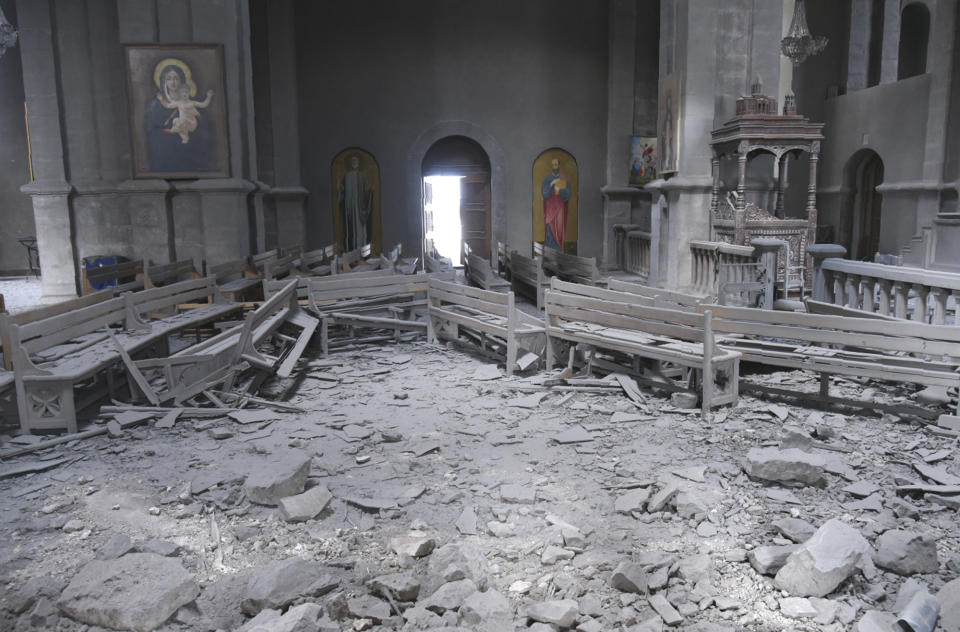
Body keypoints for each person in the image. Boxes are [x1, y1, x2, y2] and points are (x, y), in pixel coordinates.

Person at [146, 61, 215, 173]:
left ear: (181, 80)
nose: (173, 82)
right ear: (164, 82)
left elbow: (203, 127)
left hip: (189, 150)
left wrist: (197, 119)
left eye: (176, 78)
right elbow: (152, 131)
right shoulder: (157, 104)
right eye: (169, 79)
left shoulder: (190, 101)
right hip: (165, 150)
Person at [338, 154, 374, 251]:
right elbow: (341, 192)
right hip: (349, 208)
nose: (354, 163)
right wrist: (340, 190)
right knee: (349, 230)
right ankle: (351, 250)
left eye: (356, 161)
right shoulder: (346, 177)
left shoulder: (362, 176)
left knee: (360, 229)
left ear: (358, 163)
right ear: (350, 164)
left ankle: (360, 249)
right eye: (352, 161)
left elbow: (367, 190)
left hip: (359, 208)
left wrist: (370, 191)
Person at [541, 157, 571, 251]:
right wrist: (551, 185)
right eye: (553, 164)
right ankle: (549, 249)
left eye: (556, 164)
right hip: (550, 207)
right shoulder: (548, 179)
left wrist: (560, 190)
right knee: (550, 227)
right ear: (552, 166)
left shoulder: (563, 178)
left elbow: (568, 194)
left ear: (559, 165)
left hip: (560, 208)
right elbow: (545, 193)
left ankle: (558, 250)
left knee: (559, 228)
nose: (555, 166)